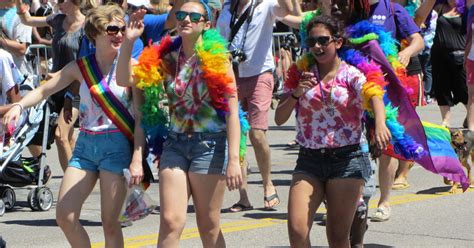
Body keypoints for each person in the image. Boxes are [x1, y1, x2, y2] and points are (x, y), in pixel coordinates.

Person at [3, 5, 144, 247]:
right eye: (112, 29)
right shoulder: (81, 67)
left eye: (122, 29)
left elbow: (141, 118)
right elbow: (46, 89)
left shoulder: (133, 67)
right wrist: (19, 106)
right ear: (95, 34)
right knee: (65, 216)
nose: (119, 34)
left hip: (117, 146)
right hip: (85, 147)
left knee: (110, 224)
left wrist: (138, 159)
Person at [117, 1, 242, 246]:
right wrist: (129, 42)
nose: (185, 19)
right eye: (181, 14)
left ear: (206, 25)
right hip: (174, 144)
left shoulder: (218, 58)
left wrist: (235, 160)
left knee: (208, 225)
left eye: (193, 17)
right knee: (171, 221)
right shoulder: (165, 56)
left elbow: (232, 113)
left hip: (210, 145)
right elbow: (124, 78)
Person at [275, 14, 390, 247]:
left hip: (347, 159)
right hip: (309, 159)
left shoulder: (351, 74)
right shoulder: (301, 73)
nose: (316, 46)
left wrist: (380, 122)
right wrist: (296, 92)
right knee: (297, 232)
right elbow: (278, 118)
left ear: (337, 42)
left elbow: (373, 93)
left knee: (337, 238)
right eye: (312, 41)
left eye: (323, 40)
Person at [216, 0, 302, 212]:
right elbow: (218, 40)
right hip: (232, 74)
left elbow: (287, 11)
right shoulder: (227, 8)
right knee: (238, 135)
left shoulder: (267, 5)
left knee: (257, 133)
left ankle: (267, 183)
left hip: (260, 74)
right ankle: (243, 196)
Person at [15, 0, 95, 171]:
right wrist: (18, 4)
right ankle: (78, 175)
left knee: (61, 135)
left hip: (76, 88)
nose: (58, 3)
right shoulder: (58, 20)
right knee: (65, 137)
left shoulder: (87, 26)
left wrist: (71, 94)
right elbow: (27, 20)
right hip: (55, 86)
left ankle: (71, 185)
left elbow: (86, 63)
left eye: (62, 0)